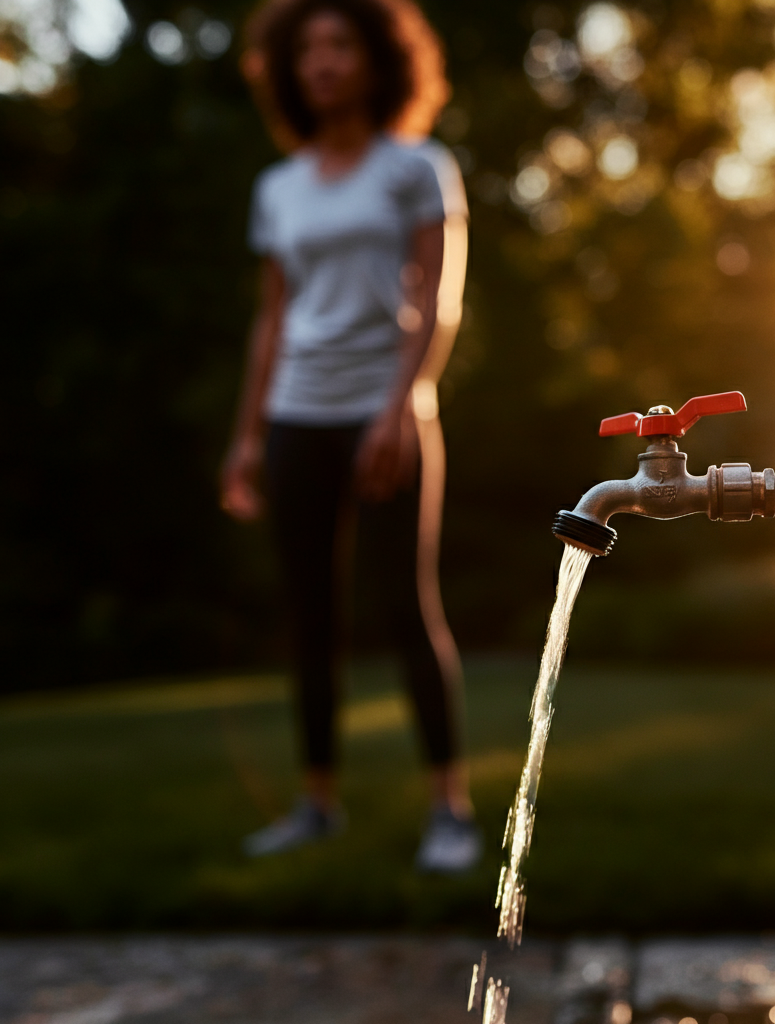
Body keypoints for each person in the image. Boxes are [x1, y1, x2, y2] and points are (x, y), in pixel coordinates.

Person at [221, 0, 479, 872]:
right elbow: (271, 318)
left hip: (389, 415)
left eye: (340, 45)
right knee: (311, 618)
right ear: (287, 71)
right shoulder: (277, 186)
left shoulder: (418, 167)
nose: (323, 63)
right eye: (307, 51)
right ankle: (317, 803)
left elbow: (439, 301)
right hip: (297, 415)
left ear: (378, 60)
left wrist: (400, 407)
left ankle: (450, 809)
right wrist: (246, 436)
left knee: (408, 608)